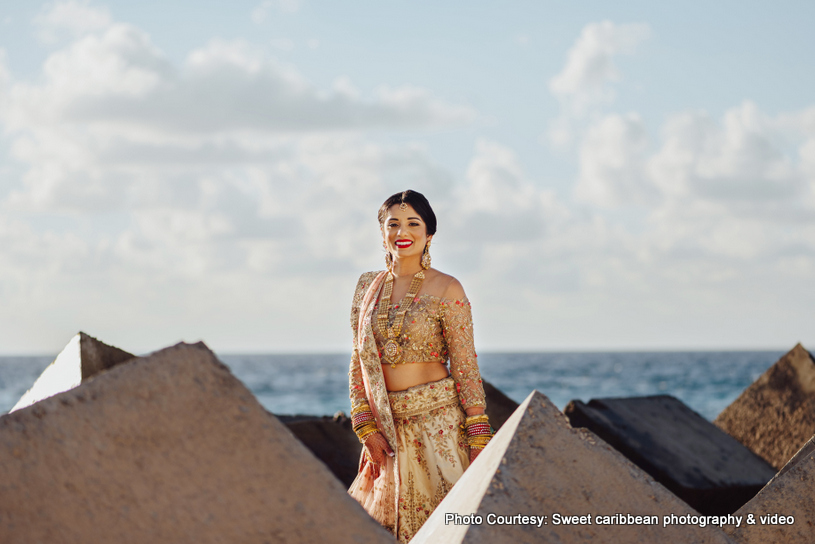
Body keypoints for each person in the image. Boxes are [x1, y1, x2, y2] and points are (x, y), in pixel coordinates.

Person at [347, 189, 492, 542]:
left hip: (439, 427)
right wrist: (365, 425)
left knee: (446, 529)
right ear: (382, 231)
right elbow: (358, 360)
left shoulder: (447, 288)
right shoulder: (368, 287)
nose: (403, 231)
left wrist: (478, 436)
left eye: (413, 223)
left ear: (429, 234)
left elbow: (465, 367)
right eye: (393, 223)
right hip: (387, 429)